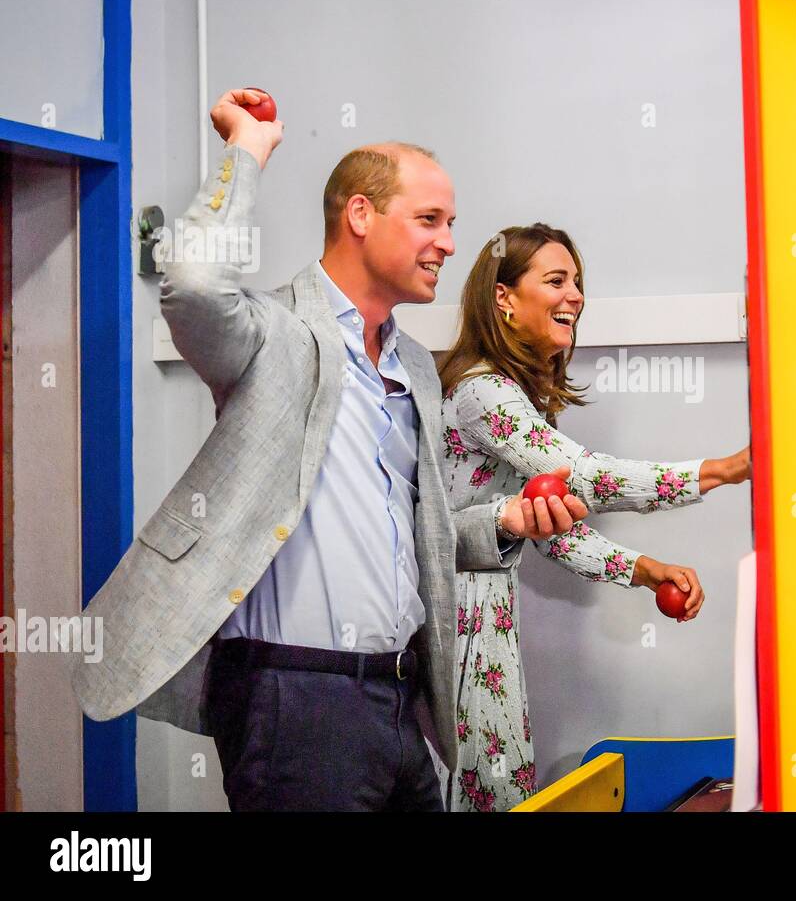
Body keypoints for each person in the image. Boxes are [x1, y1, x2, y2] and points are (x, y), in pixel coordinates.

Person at [72, 89, 587, 811]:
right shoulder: (276, 331)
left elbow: (419, 531)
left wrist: (502, 526)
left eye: (451, 224)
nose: (447, 242)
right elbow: (190, 283)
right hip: (295, 699)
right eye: (429, 220)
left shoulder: (411, 362)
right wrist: (247, 148)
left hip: (401, 697)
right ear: (360, 216)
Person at [437, 223, 751, 811]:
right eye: (556, 280)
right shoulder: (483, 393)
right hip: (453, 620)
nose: (575, 295)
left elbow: (548, 526)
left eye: (577, 282)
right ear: (503, 297)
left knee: (497, 788)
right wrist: (724, 469)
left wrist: (643, 569)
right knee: (487, 792)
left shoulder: (514, 395)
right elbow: (585, 476)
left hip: (485, 620)